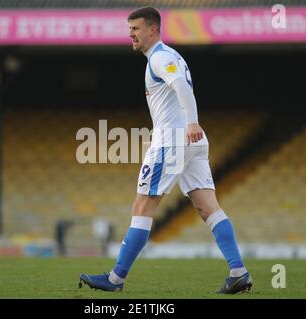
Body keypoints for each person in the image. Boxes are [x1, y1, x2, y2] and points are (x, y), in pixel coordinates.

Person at [79, 7, 252, 294]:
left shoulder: (159, 58)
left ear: (153, 30)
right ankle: (238, 272)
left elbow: (182, 86)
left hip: (174, 141)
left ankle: (115, 279)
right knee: (207, 206)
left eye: (135, 28)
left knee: (142, 206)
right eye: (129, 28)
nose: (130, 34)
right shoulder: (171, 56)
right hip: (189, 141)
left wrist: (191, 123)